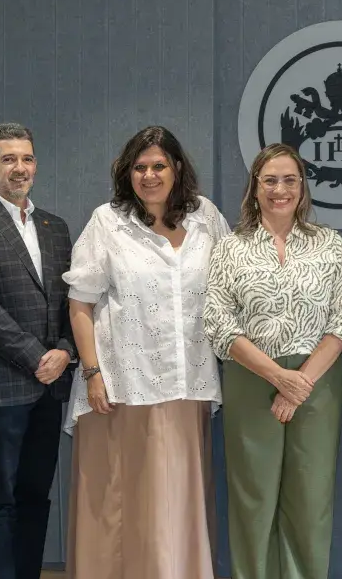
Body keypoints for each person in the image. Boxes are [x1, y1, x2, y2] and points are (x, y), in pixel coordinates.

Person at [63, 126, 228, 579]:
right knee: (121, 499)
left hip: (186, 380)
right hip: (121, 385)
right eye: (140, 167)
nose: (149, 175)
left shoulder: (206, 218)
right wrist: (93, 373)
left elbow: (229, 289)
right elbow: (80, 304)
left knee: (178, 499)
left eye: (159, 165)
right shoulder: (107, 222)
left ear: (177, 168)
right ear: (126, 172)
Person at [204, 143, 342, 579]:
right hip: (251, 377)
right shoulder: (230, 247)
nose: (280, 189)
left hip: (318, 380)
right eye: (269, 179)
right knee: (252, 495)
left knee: (310, 497)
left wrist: (300, 383)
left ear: (303, 188)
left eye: (290, 179)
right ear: (254, 187)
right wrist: (277, 377)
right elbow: (218, 322)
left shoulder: (329, 244)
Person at [0, 123, 77, 579]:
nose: (20, 168)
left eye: (26, 158)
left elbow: (73, 301)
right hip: (1, 387)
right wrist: (36, 357)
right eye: (9, 159)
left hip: (50, 387)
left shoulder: (55, 227)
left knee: (34, 495)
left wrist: (64, 351)